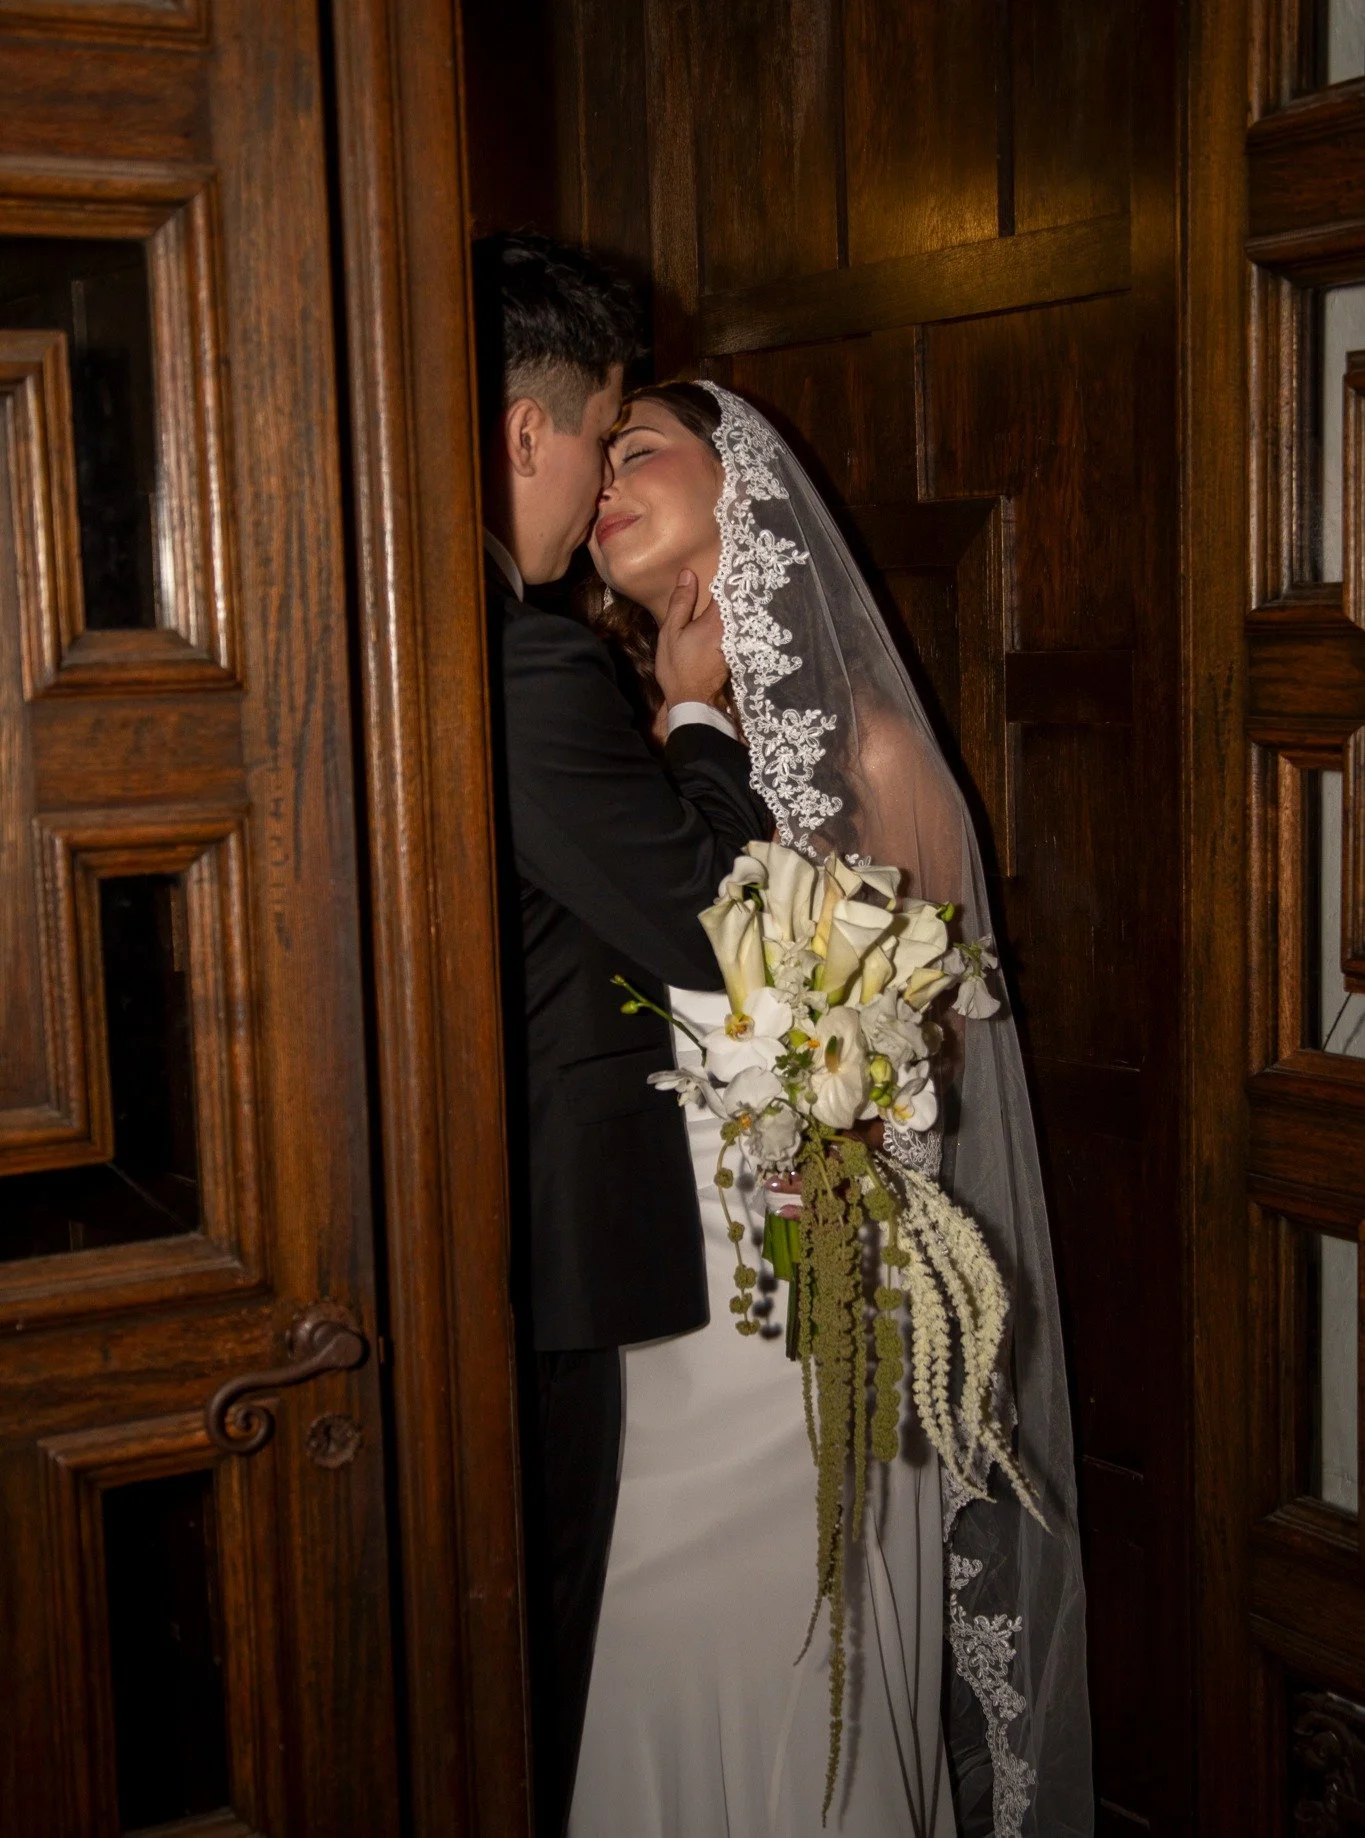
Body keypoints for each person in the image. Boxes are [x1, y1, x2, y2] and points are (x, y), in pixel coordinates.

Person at [568, 381, 1093, 1838]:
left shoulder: (867, 755)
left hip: (805, 1320)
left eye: (640, 451)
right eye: (593, 457)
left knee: (800, 1678)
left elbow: (935, 1054)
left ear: (739, 487)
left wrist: (836, 1145)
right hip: (646, 1319)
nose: (607, 480)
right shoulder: (621, 741)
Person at [471, 237, 772, 1835]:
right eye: (606, 431)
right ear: (536, 433)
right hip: (549, 1240)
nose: (599, 478)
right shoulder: (521, 653)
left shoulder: (505, 637)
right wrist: (701, 711)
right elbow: (716, 913)